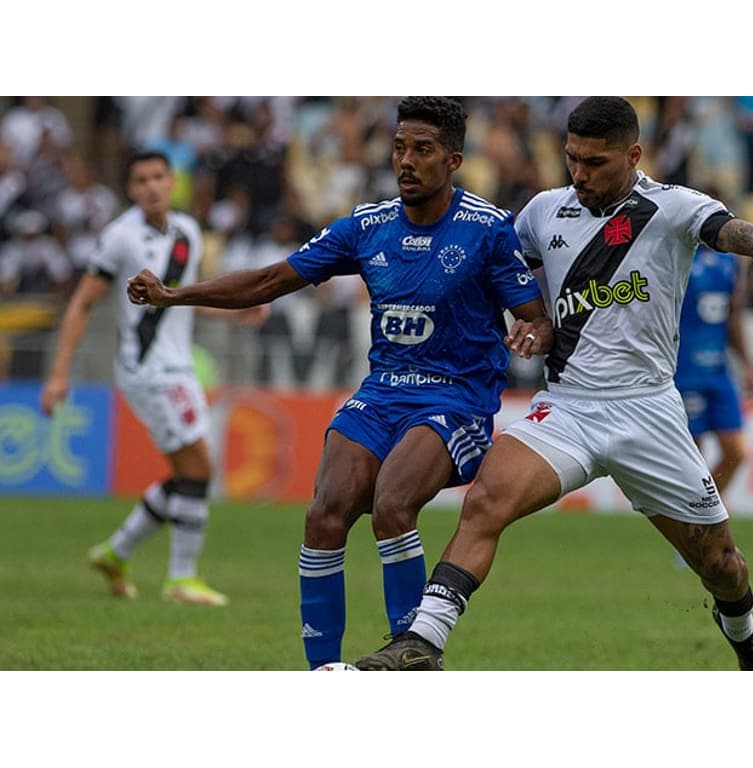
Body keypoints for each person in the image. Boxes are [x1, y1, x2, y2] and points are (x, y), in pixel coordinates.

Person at [355, 96, 753, 672]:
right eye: (572, 160)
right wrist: (529, 325)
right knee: (487, 500)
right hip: (568, 410)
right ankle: (422, 643)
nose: (580, 175)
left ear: (633, 155)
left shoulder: (676, 209)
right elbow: (494, 275)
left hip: (649, 414)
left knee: (722, 564)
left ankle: (746, 636)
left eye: (595, 163)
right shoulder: (542, 212)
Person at [125, 97, 551, 669]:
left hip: (455, 398)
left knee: (393, 504)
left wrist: (534, 331)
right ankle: (322, 671)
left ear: (453, 161)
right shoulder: (367, 226)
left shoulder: (487, 229)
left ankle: (412, 656)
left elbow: (534, 313)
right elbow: (274, 278)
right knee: (324, 514)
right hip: (380, 394)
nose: (406, 160)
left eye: (422, 150)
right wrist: (177, 294)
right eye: (400, 147)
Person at [41, 150, 263, 606]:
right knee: (200, 467)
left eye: (159, 177)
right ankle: (181, 579)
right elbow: (82, 303)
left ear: (171, 181)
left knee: (188, 473)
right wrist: (59, 373)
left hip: (180, 367)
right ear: (130, 188)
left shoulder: (188, 232)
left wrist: (234, 312)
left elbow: (179, 299)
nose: (152, 186)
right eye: (141, 179)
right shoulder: (119, 238)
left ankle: (116, 551)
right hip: (148, 370)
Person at [674, 241, 753, 499]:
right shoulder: (678, 254)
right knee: (692, 456)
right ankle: (696, 515)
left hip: (718, 371)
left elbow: (733, 315)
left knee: (737, 452)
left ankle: (704, 507)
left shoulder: (730, 260)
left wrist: (746, 363)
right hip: (684, 370)